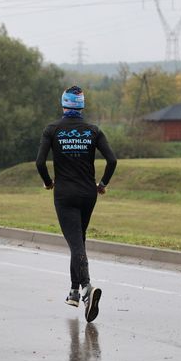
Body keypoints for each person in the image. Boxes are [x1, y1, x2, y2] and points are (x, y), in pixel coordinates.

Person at [36, 85, 117, 323]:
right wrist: (102, 184)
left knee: (76, 244)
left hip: (64, 195)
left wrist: (48, 182)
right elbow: (112, 160)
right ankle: (73, 291)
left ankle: (86, 289)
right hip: (88, 194)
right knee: (78, 240)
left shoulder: (52, 130)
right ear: (81, 105)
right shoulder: (93, 130)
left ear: (64, 104)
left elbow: (40, 162)